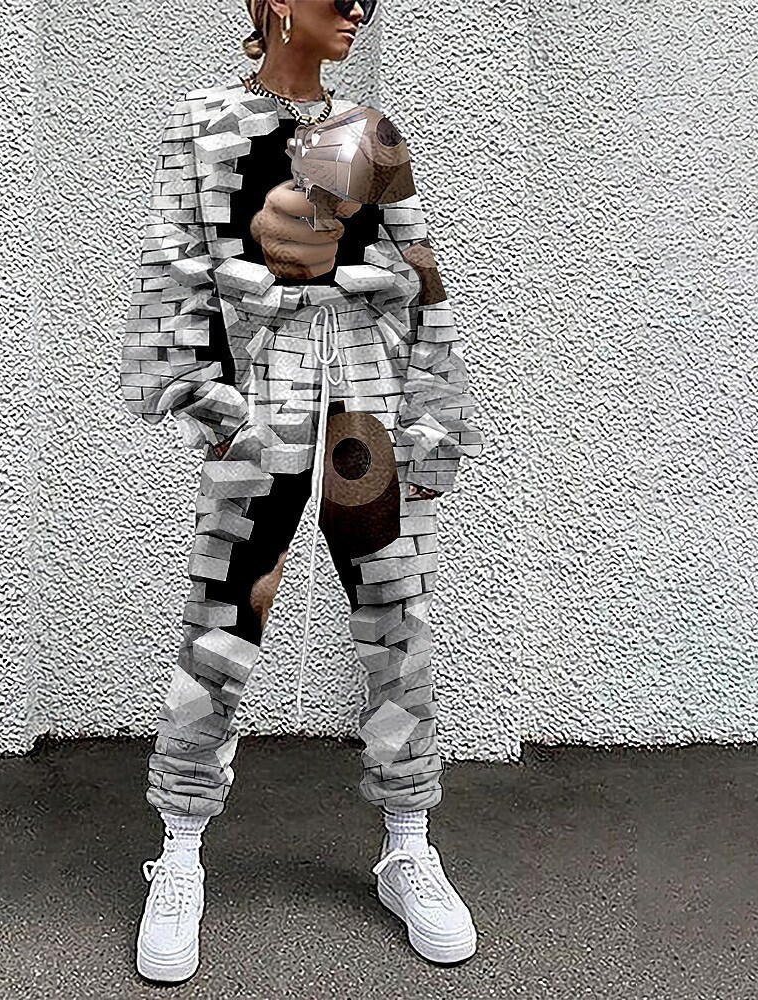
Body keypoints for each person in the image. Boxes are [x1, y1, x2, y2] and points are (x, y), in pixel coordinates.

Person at [120, 0, 487, 983]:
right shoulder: (205, 123)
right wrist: (211, 404)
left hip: (367, 389)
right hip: (266, 388)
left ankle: (408, 846)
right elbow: (171, 279)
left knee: (396, 616)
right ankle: (181, 853)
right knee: (224, 615)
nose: (358, 9)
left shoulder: (374, 132)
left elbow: (421, 277)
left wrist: (434, 415)